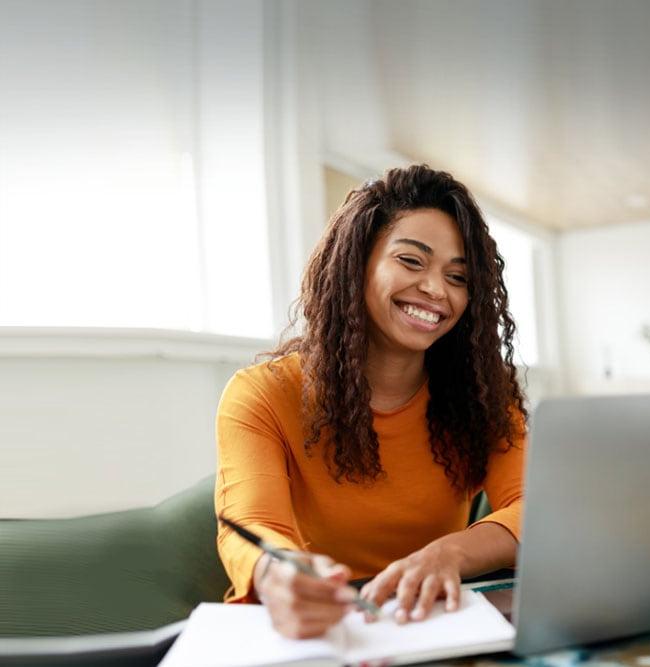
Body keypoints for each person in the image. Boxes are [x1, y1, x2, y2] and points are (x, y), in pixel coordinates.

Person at [214, 164, 528, 639]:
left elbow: (534, 505)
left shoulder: (484, 395)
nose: (435, 290)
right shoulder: (261, 394)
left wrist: (449, 553)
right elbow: (252, 525)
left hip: (438, 625)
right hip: (323, 633)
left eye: (458, 277)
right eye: (411, 261)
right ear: (356, 262)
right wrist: (279, 575)